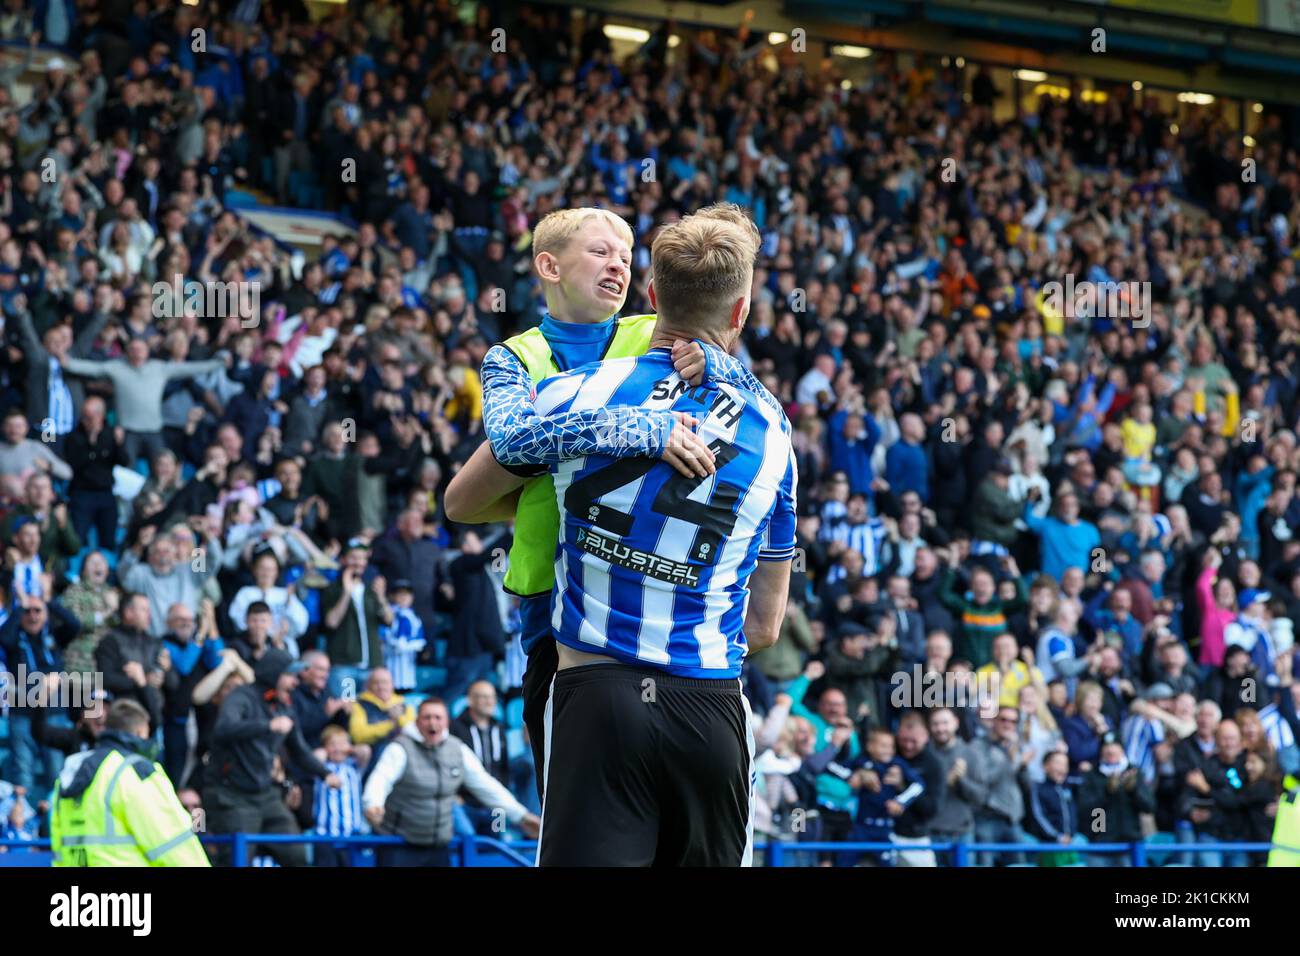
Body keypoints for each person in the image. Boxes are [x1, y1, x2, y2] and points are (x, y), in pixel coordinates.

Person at [446, 203, 795, 866]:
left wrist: (723, 372)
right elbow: (474, 487)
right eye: (598, 251)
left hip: (599, 668)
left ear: (651, 291)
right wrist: (635, 432)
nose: (615, 265)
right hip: (600, 642)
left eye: (625, 254)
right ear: (547, 267)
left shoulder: (638, 348)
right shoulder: (516, 358)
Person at [362, 697, 539, 866]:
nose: (432, 723)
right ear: (417, 721)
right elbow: (381, 779)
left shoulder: (457, 749)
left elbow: (487, 786)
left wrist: (522, 816)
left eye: (438, 717)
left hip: (439, 846)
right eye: (426, 717)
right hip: (399, 844)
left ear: (446, 722)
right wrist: (373, 803)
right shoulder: (399, 748)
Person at [206, 649, 342, 867]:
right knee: (237, 861)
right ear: (274, 674)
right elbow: (223, 729)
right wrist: (267, 726)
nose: (295, 682)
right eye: (290, 676)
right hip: (233, 796)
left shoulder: (284, 705)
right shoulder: (241, 696)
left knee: (297, 857)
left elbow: (299, 750)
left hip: (267, 795)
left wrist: (325, 773)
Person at [50, 700, 209, 867]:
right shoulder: (135, 771)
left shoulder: (71, 771)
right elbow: (171, 842)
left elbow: (58, 841)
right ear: (140, 732)